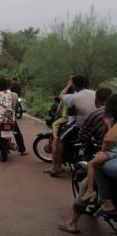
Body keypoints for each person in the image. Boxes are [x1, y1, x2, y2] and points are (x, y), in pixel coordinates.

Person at [57, 89, 113, 234]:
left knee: (87, 179)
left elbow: (95, 138)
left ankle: (73, 222)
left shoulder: (102, 116)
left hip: (108, 155)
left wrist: (104, 150)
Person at [45, 75, 96, 177]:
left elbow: (71, 113)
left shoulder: (74, 97)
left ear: (74, 85)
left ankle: (57, 167)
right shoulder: (94, 93)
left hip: (80, 126)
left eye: (71, 83)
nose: (71, 85)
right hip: (95, 124)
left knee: (59, 140)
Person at [81, 93, 117, 208]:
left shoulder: (109, 119)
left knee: (94, 164)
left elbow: (107, 139)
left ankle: (105, 201)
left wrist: (103, 151)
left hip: (113, 152)